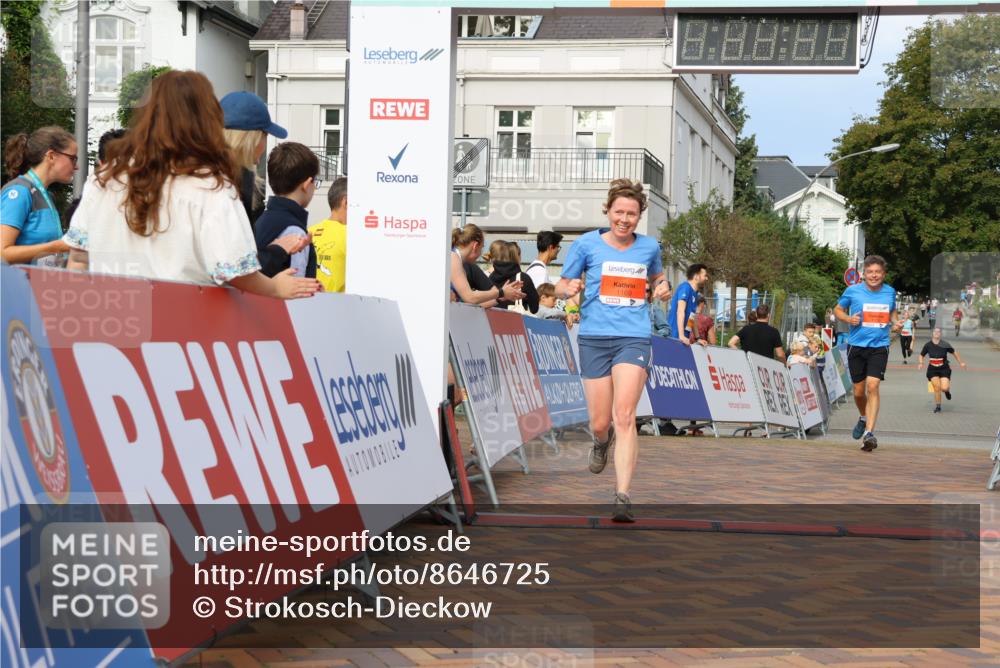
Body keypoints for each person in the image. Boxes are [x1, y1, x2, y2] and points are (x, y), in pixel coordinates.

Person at [63, 70, 318, 300]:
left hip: (110, 321)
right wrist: (275, 288)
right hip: (179, 325)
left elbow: (77, 257)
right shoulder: (210, 186)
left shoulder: (107, 178)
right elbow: (233, 269)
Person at [556, 179, 671, 523]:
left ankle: (623, 495)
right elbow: (562, 284)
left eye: (632, 214)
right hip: (593, 337)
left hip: (633, 337)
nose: (624, 219)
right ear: (608, 210)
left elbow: (659, 278)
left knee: (625, 416)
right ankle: (599, 442)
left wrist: (663, 288)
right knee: (601, 421)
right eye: (619, 212)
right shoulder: (586, 244)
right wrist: (568, 289)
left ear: (640, 217)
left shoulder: (649, 247)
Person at [833, 255, 903, 452]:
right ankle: (863, 417)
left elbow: (891, 312)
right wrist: (848, 318)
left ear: (884, 274)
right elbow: (838, 309)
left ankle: (869, 433)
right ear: (864, 274)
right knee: (858, 391)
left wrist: (895, 322)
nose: (874, 275)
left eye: (878, 272)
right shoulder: (853, 291)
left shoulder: (889, 292)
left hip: (880, 346)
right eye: (870, 272)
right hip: (856, 345)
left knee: (873, 386)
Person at [1, 126, 76, 264]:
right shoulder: (19, 191)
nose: (76, 166)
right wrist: (56, 247)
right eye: (73, 159)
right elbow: (2, 253)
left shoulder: (46, 195)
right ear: (51, 156)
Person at [253, 142, 319, 279]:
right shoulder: (296, 232)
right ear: (307, 184)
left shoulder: (262, 220)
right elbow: (298, 286)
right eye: (316, 183)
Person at [220, 91, 287, 224]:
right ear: (251, 139)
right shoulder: (222, 187)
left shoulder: (214, 179)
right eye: (265, 136)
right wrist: (278, 246)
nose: (265, 144)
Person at [450, 224, 523, 305]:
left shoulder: (456, 260)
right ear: (475, 246)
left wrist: (500, 298)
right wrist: (501, 292)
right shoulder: (454, 258)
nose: (481, 254)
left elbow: (471, 303)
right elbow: (470, 297)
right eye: (482, 248)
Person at [309, 176, 347, 292]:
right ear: (346, 202)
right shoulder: (351, 236)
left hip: (309, 304)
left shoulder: (309, 232)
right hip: (340, 306)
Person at [918, 327, 967, 413]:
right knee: (937, 388)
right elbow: (921, 355)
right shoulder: (928, 345)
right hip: (932, 369)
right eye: (935, 331)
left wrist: (961, 363)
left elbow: (954, 352)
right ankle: (938, 406)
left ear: (940, 334)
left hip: (944, 368)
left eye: (938, 332)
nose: (937, 333)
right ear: (932, 333)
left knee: (944, 388)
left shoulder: (945, 344)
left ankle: (947, 391)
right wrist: (921, 363)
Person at [490, 241, 539, 314]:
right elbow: (534, 308)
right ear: (516, 256)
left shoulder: (490, 277)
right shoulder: (523, 278)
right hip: (516, 322)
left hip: (492, 321)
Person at [667, 263, 709, 345]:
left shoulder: (695, 293)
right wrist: (681, 335)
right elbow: (680, 311)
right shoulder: (685, 288)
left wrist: (698, 338)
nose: (706, 278)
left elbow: (692, 317)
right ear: (696, 276)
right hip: (674, 337)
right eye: (705, 275)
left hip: (684, 339)